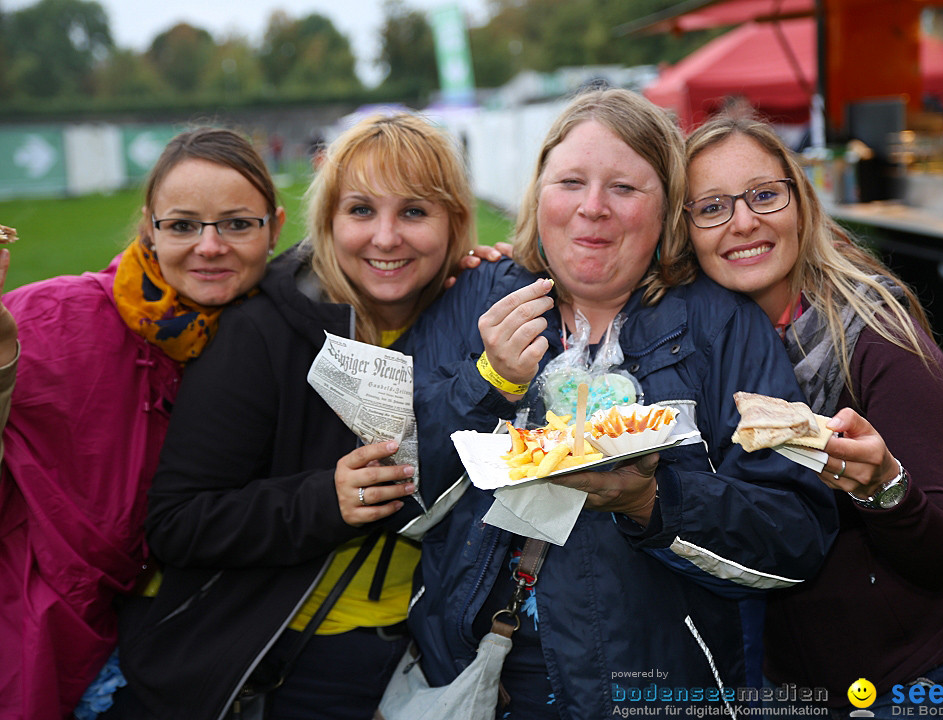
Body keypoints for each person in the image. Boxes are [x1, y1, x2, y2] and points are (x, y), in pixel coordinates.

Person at [398, 87, 838, 719]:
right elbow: (400, 485)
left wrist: (651, 502)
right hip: (475, 676)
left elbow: (796, 533)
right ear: (538, 193)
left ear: (666, 213)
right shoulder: (474, 300)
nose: (592, 209)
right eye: (570, 181)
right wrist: (485, 382)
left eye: (625, 189)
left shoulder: (720, 329)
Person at [117, 113, 484, 720]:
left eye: (415, 212)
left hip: (434, 653)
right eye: (361, 211)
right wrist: (323, 503)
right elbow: (178, 523)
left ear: (455, 224)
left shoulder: (473, 315)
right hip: (295, 660)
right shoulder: (263, 329)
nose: (386, 238)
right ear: (328, 220)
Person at [683, 109, 943, 716]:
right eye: (712, 207)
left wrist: (885, 487)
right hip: (784, 683)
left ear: (801, 203)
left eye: (763, 195)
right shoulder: (700, 349)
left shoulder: (878, 337)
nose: (744, 222)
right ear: (686, 230)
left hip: (916, 680)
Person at [0, 128, 285, 720]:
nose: (210, 246)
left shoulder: (283, 334)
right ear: (149, 231)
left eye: (236, 224)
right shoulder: (49, 318)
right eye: (182, 226)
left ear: (274, 229)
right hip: (25, 626)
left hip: (156, 646)